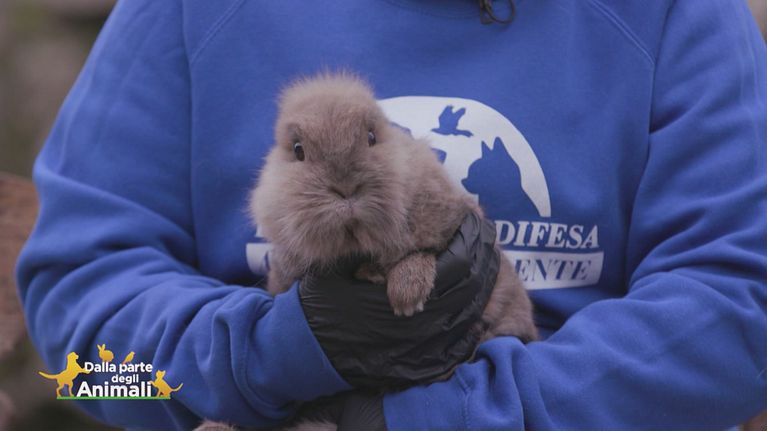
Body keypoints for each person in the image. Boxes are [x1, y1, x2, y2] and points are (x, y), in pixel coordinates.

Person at [16, 0, 767, 429]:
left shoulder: (675, 14)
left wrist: (426, 418)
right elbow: (80, 369)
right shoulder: (185, 13)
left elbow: (742, 313)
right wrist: (258, 354)